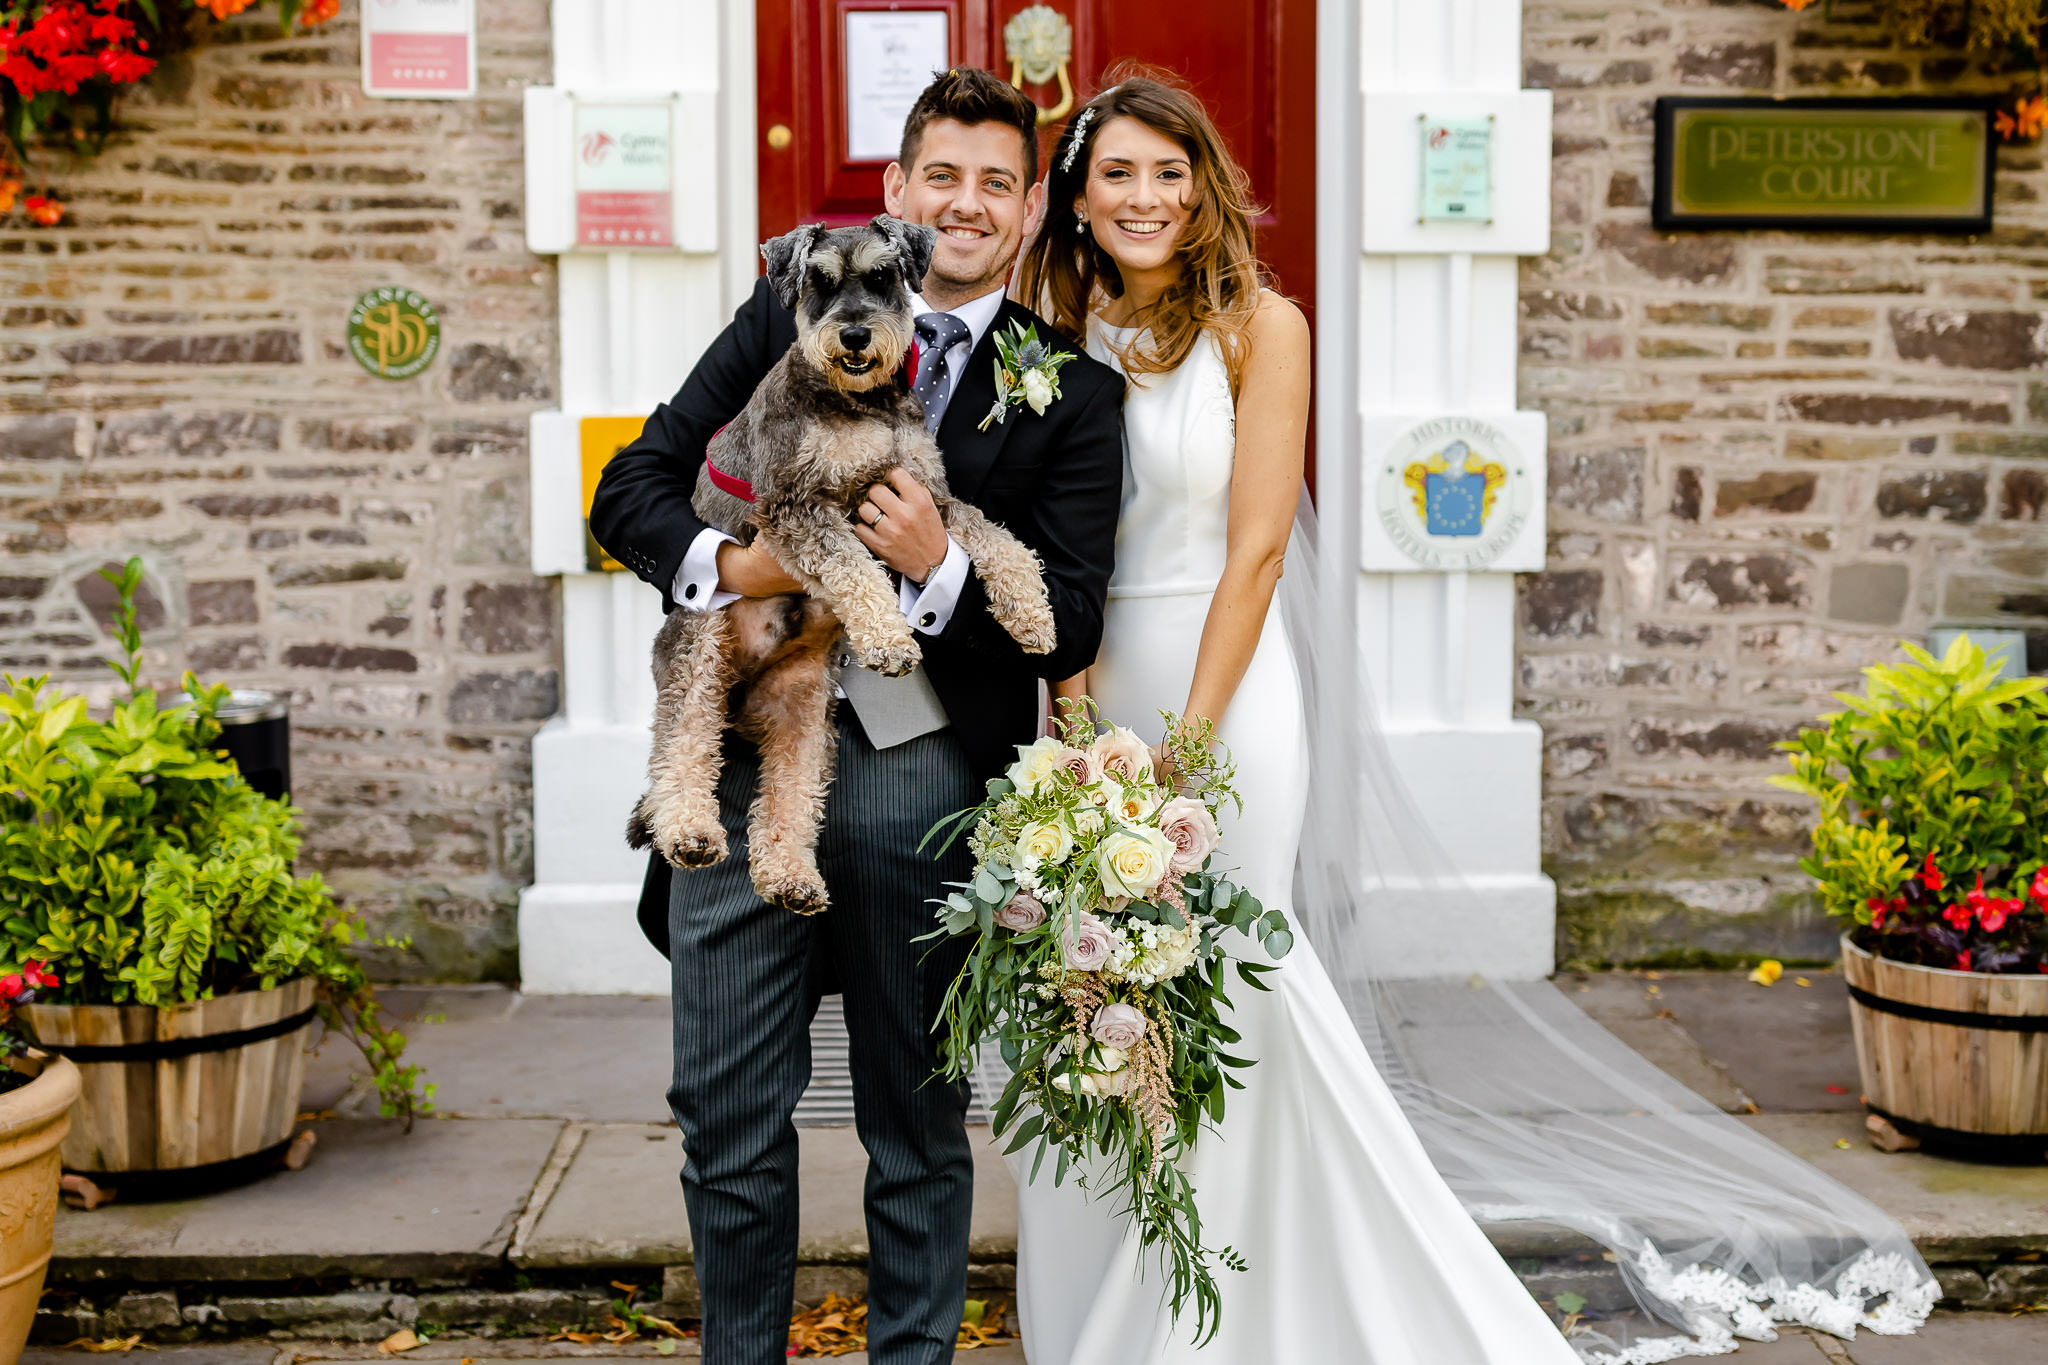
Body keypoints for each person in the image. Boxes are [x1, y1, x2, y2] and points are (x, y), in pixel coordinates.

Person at [1006, 73, 1587, 1364]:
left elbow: (1259, 551)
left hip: (1229, 696)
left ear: (1202, 183)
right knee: (1093, 994)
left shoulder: (1263, 328)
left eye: (1170, 172)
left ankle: (1230, 1316)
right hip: (1084, 691)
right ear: (1081, 197)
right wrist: (1077, 707)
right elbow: (1046, 530)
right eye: (1118, 175)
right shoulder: (1050, 325)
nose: (1146, 198)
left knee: (1233, 991)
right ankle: (1111, 1298)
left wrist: (1185, 753)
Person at [587, 69, 1125, 1365]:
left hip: (923, 775)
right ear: (898, 192)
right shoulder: (782, 311)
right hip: (739, 760)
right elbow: (633, 489)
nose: (970, 200)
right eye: (944, 173)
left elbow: (1074, 616)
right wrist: (745, 568)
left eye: (999, 180)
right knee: (722, 1112)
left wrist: (939, 561)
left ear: (1030, 204)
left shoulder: (1071, 391)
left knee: (917, 1122)